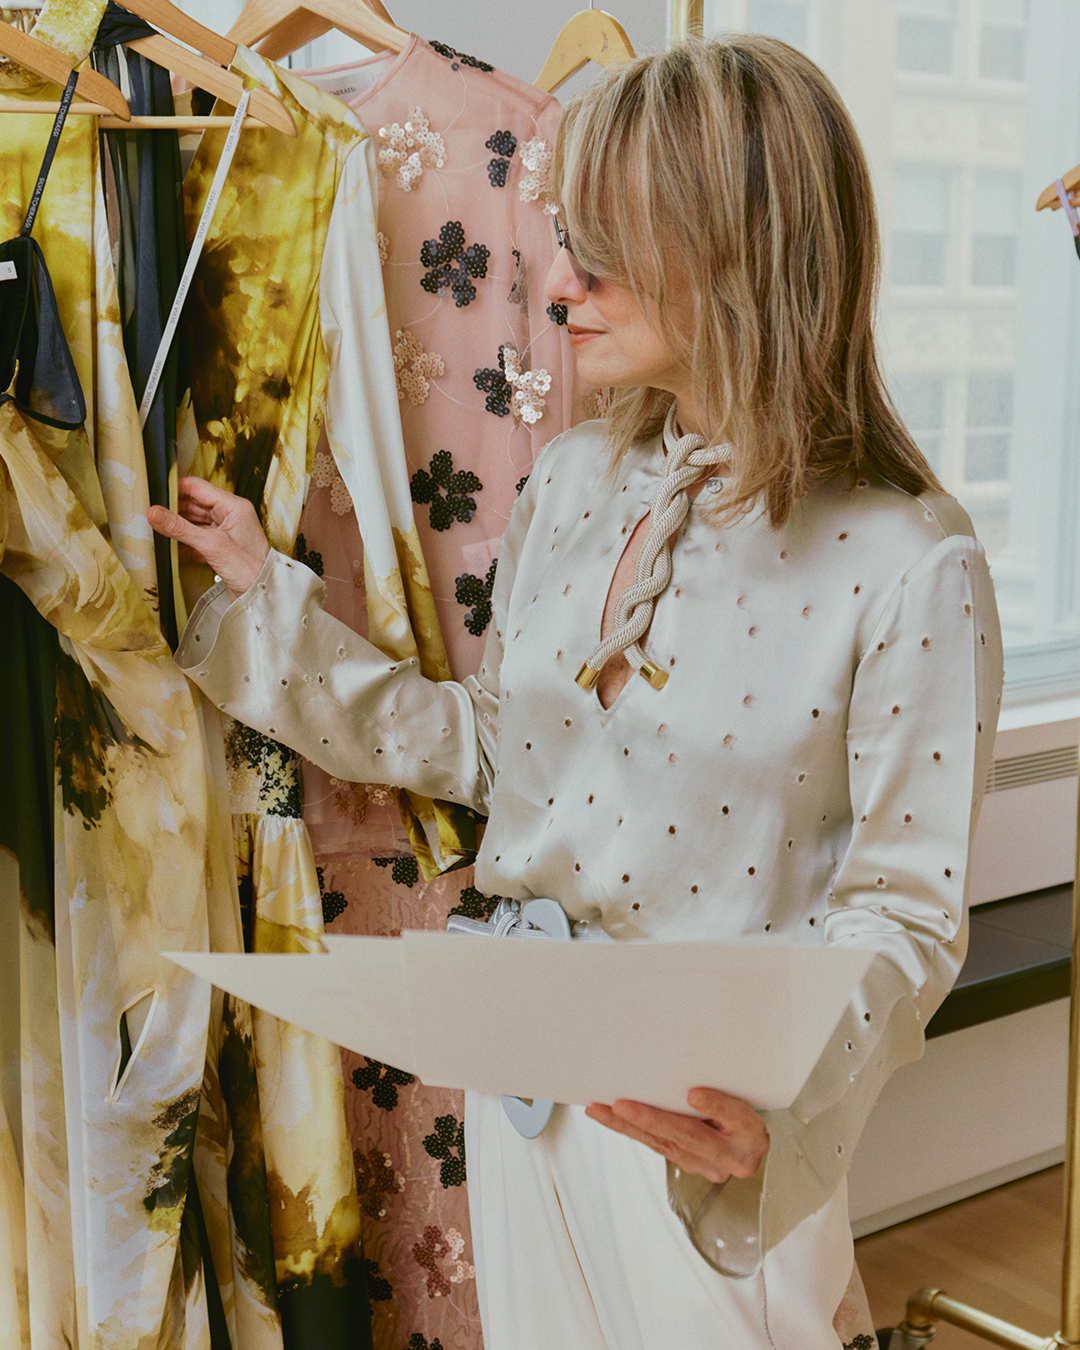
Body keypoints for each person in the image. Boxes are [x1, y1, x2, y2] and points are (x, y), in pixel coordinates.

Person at [151, 35, 1003, 1350]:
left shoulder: (908, 560)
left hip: (703, 1131)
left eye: (596, 255)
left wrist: (776, 1106)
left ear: (739, 252)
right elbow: (502, 751)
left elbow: (904, 909)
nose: (552, 286)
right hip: (526, 1090)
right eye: (560, 240)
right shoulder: (573, 485)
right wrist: (267, 608)